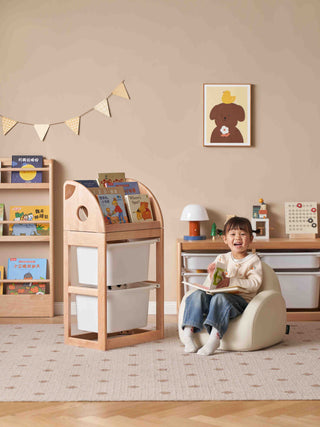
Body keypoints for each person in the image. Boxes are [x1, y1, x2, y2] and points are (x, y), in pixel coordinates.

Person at [182, 216, 263, 356]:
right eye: (232, 234)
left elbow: (254, 284)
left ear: (251, 238)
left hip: (240, 302)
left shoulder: (253, 260)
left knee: (221, 298)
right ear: (225, 239)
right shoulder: (222, 258)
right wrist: (212, 277)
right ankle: (188, 333)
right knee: (196, 295)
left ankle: (215, 338)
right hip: (216, 296)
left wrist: (230, 282)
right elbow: (210, 285)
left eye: (243, 234)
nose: (238, 238)